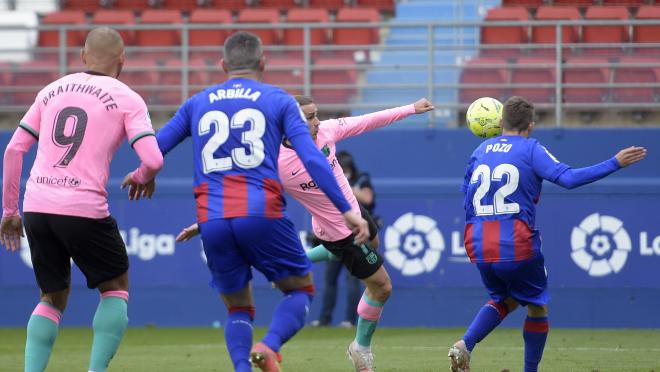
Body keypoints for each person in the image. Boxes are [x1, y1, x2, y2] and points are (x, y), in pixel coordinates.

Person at [155, 31, 369, 372]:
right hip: (261, 214)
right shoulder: (279, 100)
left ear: (224, 65)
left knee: (238, 309)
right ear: (263, 63)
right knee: (299, 291)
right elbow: (313, 160)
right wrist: (346, 210)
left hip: (213, 218)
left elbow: (155, 150)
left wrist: (142, 174)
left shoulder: (197, 102)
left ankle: (243, 367)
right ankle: (269, 346)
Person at [177, 94, 433, 371]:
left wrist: (410, 108)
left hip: (354, 214)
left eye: (316, 114)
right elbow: (242, 194)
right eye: (308, 117)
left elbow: (367, 121)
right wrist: (203, 223)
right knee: (382, 286)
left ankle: (304, 259)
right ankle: (360, 348)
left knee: (374, 241)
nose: (316, 121)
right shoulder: (275, 160)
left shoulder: (326, 131)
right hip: (339, 233)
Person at [0, 27, 163, 372]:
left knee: (52, 297)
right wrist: (141, 176)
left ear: (82, 57)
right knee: (115, 286)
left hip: (38, 206)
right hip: (83, 207)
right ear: (122, 60)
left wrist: (10, 211)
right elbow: (153, 159)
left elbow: (14, 149)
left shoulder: (51, 91)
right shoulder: (128, 98)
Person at [448, 96, 647, 372]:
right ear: (530, 126)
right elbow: (569, 179)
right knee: (537, 306)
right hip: (514, 240)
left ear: (501, 122)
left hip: (478, 242)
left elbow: (466, 197)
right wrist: (614, 162)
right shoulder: (530, 149)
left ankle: (464, 344)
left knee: (505, 298)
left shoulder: (480, 150)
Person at [311, 151, 374, 328]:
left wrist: (347, 187)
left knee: (352, 279)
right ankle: (325, 319)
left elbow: (368, 198)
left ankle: (350, 320)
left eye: (346, 167)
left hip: (356, 233)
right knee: (329, 279)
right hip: (335, 234)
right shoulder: (328, 178)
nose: (344, 169)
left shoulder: (361, 179)